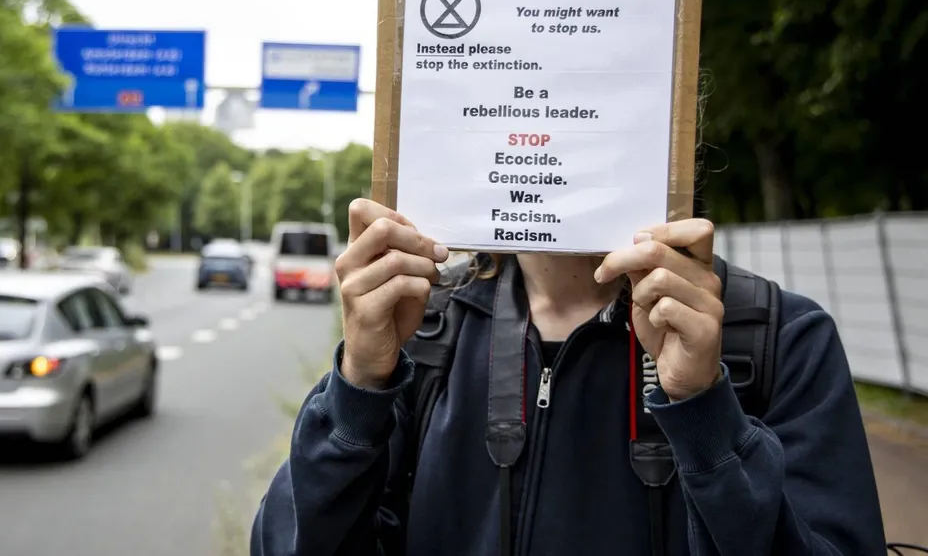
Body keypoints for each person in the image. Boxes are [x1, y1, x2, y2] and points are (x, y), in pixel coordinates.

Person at [250, 198, 889, 555]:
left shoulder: (778, 340)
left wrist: (705, 411)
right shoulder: (421, 333)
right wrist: (360, 386)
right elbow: (285, 544)